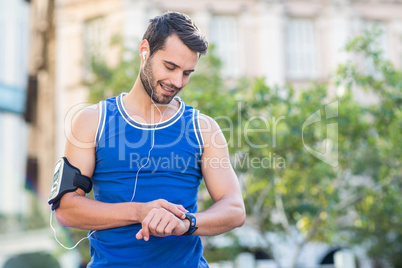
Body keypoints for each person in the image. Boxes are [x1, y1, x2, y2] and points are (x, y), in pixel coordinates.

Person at [54, 11, 245, 267]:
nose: (177, 81)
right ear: (145, 51)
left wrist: (185, 223)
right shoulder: (91, 121)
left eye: (187, 73)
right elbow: (65, 209)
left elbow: (234, 209)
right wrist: (139, 211)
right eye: (170, 67)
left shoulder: (204, 128)